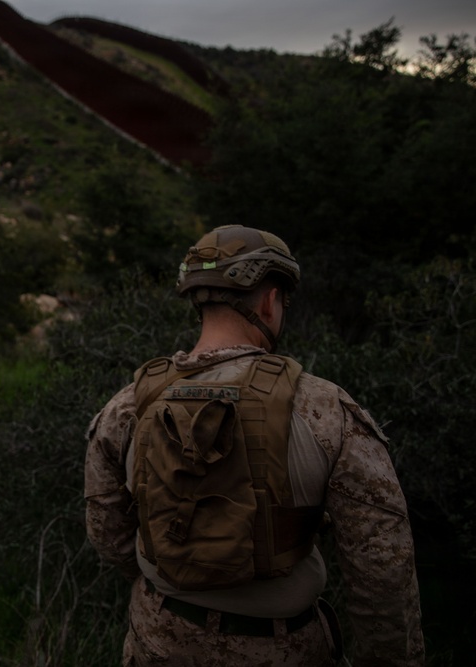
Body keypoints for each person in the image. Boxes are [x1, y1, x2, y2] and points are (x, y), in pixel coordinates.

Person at [84, 225, 424, 666]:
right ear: (269, 299)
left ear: (199, 300)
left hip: (160, 640)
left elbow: (107, 534)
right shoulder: (325, 408)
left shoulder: (128, 405)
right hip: (283, 648)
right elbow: (382, 571)